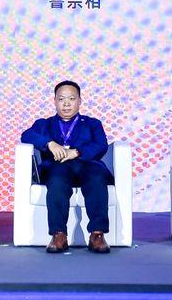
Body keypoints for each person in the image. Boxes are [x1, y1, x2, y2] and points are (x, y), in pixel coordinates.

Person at [20, 80, 113, 253]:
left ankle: (97, 234)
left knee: (96, 178)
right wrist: (49, 143)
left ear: (79, 101)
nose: (66, 104)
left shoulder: (92, 123)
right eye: (61, 99)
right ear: (55, 101)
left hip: (86, 164)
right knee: (57, 180)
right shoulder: (44, 124)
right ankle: (59, 235)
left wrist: (76, 152)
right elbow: (26, 135)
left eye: (71, 99)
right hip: (57, 167)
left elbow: (101, 145)